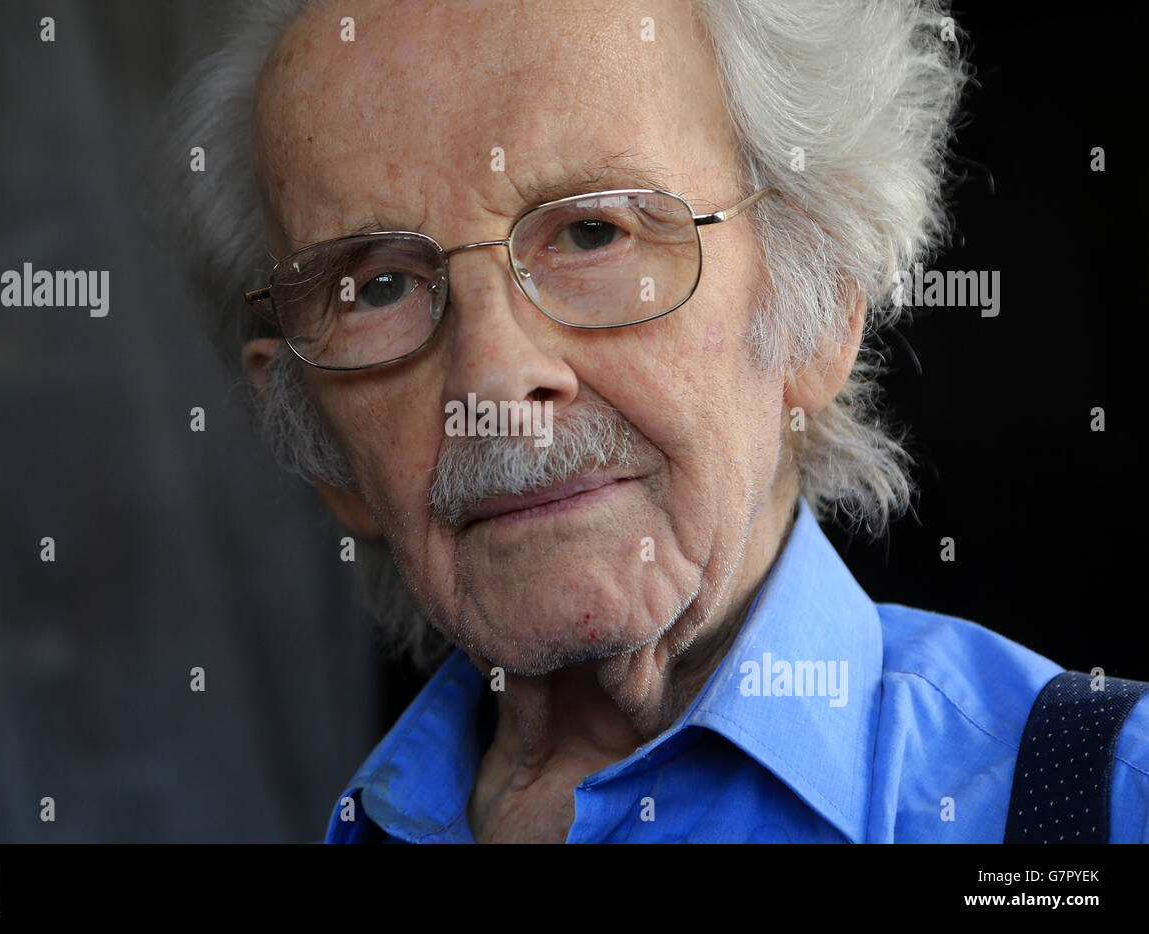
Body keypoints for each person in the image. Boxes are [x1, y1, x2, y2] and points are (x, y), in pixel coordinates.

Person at [162, 0, 1149, 842]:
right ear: (320, 442)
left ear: (818, 302)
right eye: (378, 286)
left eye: (594, 232)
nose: (496, 379)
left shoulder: (1098, 798)